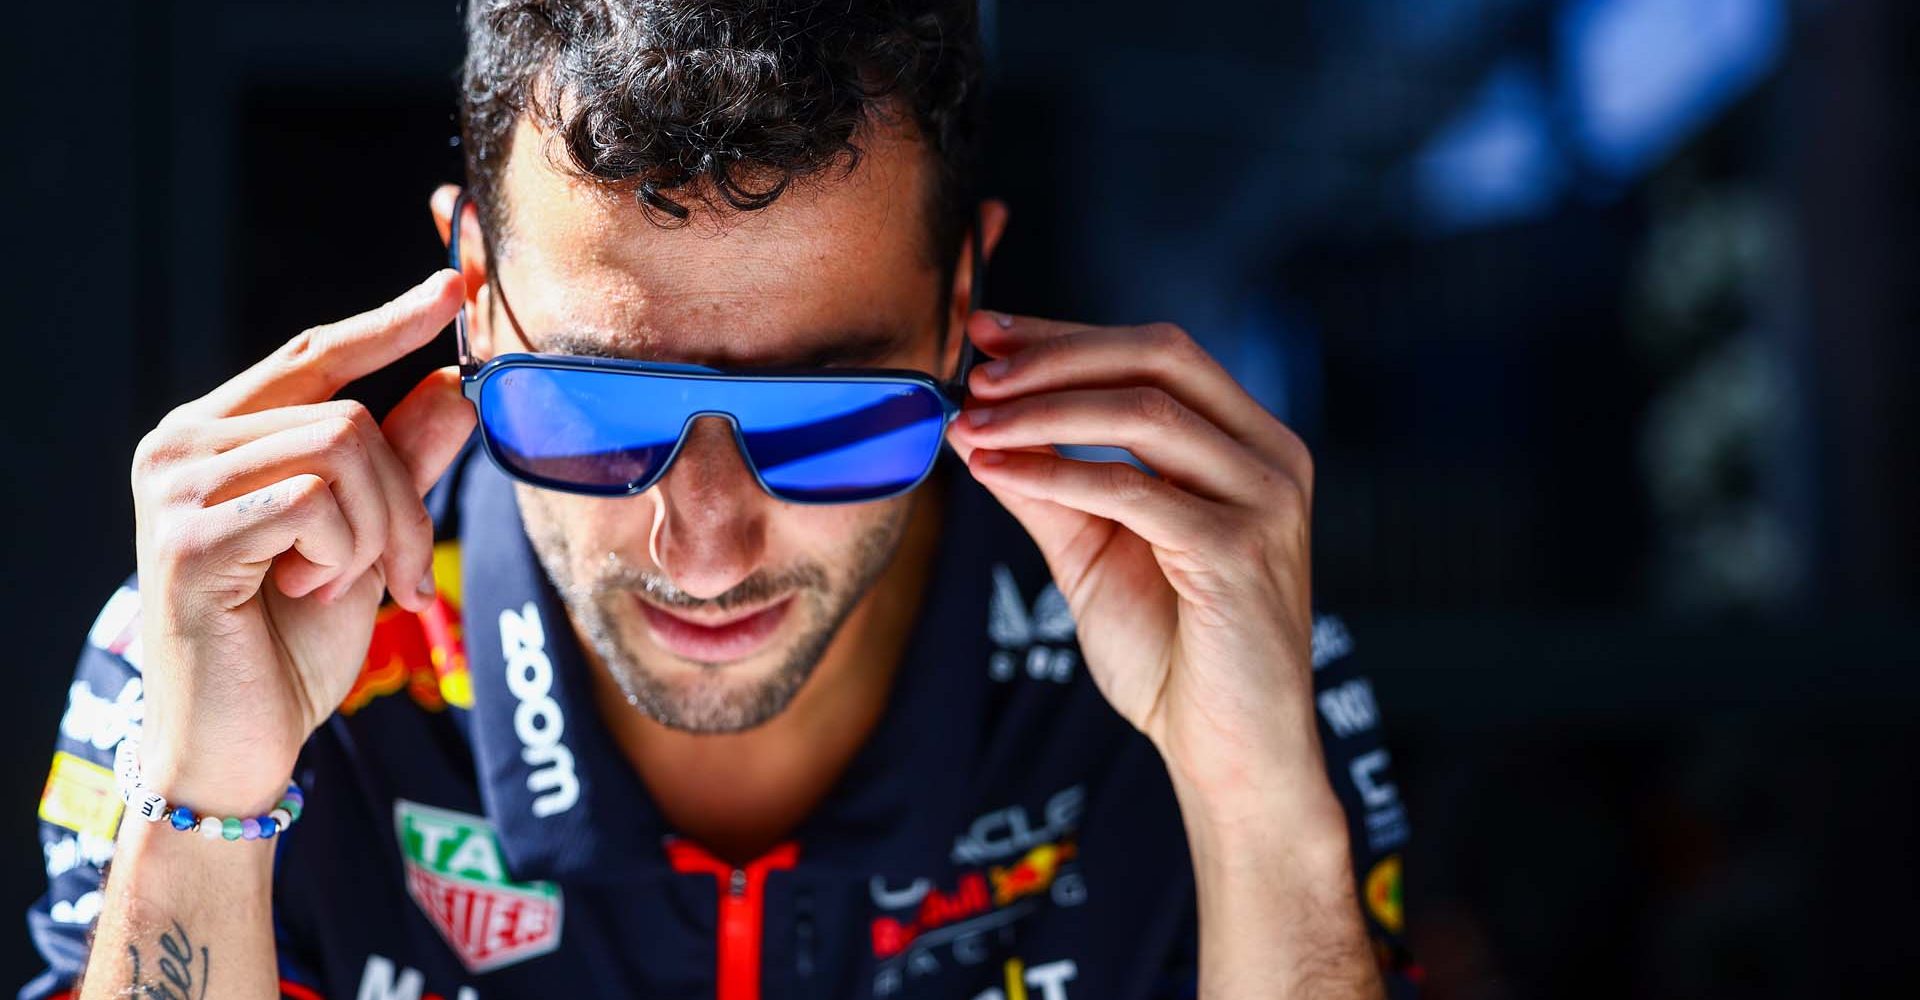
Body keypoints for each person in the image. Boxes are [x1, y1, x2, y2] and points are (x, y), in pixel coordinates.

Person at [24, 2, 1416, 997]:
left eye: (831, 421)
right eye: (594, 410)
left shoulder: (1194, 638)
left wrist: (1254, 809)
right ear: (473, 308)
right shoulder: (240, 640)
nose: (704, 540)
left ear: (961, 313)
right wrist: (205, 798)